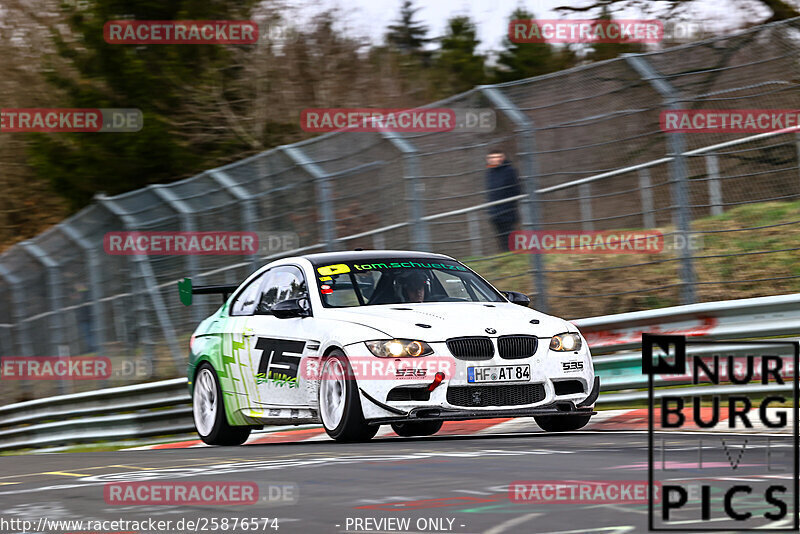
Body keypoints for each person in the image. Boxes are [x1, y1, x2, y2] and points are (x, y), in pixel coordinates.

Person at [485, 148, 522, 251]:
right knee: (501, 240)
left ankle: (515, 256)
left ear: (502, 158)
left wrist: (508, 206)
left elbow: (516, 190)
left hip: (507, 211)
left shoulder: (509, 171)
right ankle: (507, 257)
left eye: (495, 157)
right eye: (490, 158)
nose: (492, 160)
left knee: (510, 238)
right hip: (495, 213)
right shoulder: (489, 173)